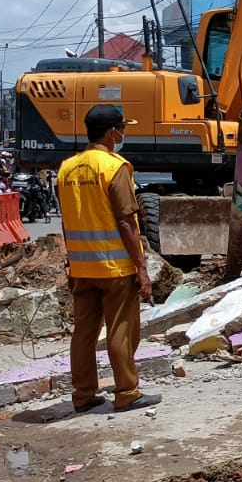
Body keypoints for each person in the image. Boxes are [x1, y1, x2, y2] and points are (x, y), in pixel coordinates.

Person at [57, 105, 158, 414]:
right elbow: (127, 222)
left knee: (84, 333)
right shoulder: (114, 167)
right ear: (113, 133)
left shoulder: (67, 168)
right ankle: (127, 392)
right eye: (122, 130)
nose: (123, 135)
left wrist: (71, 264)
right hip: (115, 267)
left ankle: (83, 395)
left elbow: (66, 220)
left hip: (82, 268)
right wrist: (141, 268)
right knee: (121, 330)